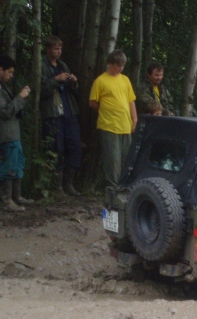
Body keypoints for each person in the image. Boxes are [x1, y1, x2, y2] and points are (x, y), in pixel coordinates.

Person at [41, 35, 83, 196]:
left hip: (69, 110)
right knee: (56, 147)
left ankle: (69, 184)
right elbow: (40, 90)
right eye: (56, 48)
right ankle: (57, 187)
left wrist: (73, 82)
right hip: (53, 112)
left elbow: (74, 90)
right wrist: (55, 79)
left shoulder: (63, 65)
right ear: (48, 49)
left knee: (75, 145)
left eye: (60, 48)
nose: (59, 51)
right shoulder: (42, 65)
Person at [89, 49, 137, 187]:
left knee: (126, 159)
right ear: (110, 63)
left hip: (125, 125)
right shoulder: (100, 81)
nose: (120, 68)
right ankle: (113, 189)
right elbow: (92, 102)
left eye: (123, 65)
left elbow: (131, 101)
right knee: (113, 160)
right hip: (109, 125)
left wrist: (134, 120)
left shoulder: (125, 79)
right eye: (118, 65)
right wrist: (105, 110)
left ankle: (124, 187)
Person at [0, 55, 32, 211]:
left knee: (18, 163)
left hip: (13, 133)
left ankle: (16, 196)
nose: (11, 75)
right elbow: (5, 112)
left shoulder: (3, 86)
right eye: (9, 72)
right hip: (6, 134)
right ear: (1, 70)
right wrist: (20, 97)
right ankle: (7, 201)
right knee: (9, 166)